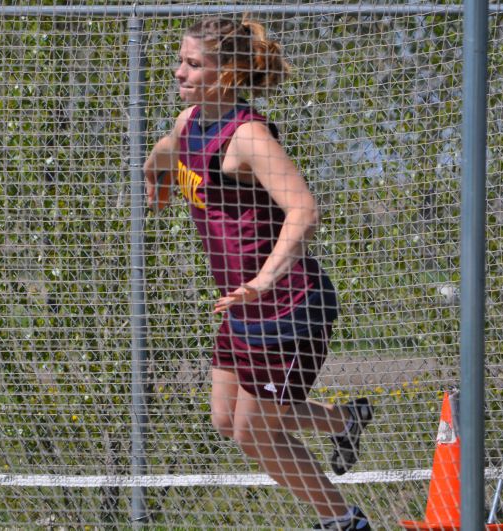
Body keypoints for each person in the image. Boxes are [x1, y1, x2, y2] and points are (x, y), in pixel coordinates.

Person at [143, 17, 374, 531]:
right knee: (228, 420)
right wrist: (153, 177)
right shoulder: (188, 123)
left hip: (286, 309)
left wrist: (265, 280)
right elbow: (165, 149)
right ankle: (343, 419)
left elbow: (305, 210)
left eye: (194, 64)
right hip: (241, 308)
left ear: (227, 74)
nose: (179, 71)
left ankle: (344, 521)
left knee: (255, 432)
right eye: (180, 60)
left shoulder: (246, 136)